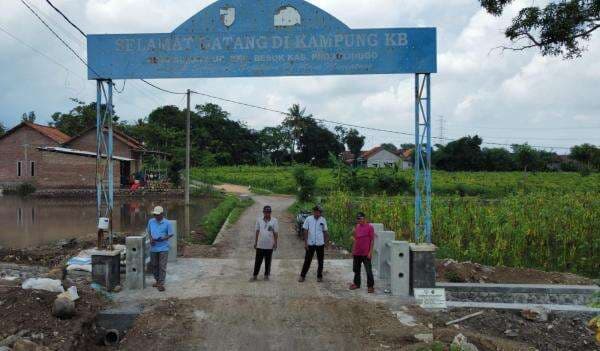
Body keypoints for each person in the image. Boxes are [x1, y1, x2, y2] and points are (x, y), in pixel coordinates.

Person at [299, 205, 328, 283]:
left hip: (320, 243)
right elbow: (305, 230)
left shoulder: (323, 220)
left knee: (320, 261)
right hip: (310, 243)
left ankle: (319, 276)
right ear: (314, 212)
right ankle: (302, 276)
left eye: (319, 212)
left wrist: (325, 242)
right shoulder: (308, 219)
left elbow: (325, 231)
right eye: (316, 212)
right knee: (307, 260)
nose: (318, 214)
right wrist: (305, 243)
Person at [147, 206, 174, 292]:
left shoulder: (167, 223)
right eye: (155, 214)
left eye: (157, 215)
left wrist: (164, 238)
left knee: (162, 266)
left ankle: (161, 283)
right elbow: (149, 232)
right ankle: (157, 280)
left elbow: (171, 234)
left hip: (163, 247)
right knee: (154, 265)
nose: (156, 216)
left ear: (162, 214)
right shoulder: (151, 221)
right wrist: (151, 239)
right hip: (153, 247)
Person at [349, 212, 375, 293]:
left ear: (364, 218)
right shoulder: (357, 227)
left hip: (366, 253)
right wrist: (353, 250)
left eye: (360, 218)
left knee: (368, 270)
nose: (358, 220)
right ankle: (356, 284)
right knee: (356, 269)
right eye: (357, 219)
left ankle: (370, 286)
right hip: (357, 252)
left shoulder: (370, 227)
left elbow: (372, 240)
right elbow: (356, 239)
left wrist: (370, 252)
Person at [251, 205, 279, 281]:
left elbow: (276, 233)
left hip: (269, 245)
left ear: (270, 213)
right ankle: (255, 275)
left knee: (268, 261)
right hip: (260, 245)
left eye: (269, 212)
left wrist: (275, 243)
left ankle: (266, 275)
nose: (267, 213)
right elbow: (257, 231)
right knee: (258, 261)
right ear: (263, 212)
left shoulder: (274, 221)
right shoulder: (259, 220)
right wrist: (255, 242)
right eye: (266, 212)